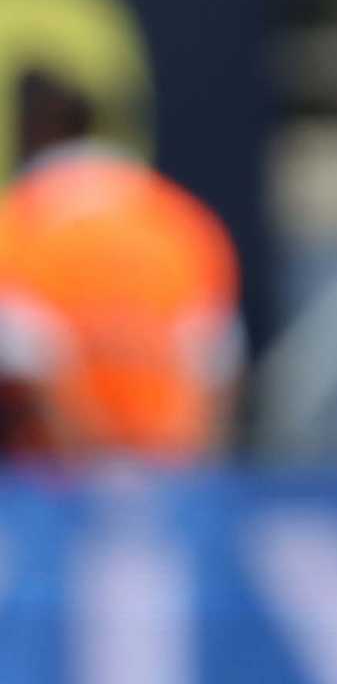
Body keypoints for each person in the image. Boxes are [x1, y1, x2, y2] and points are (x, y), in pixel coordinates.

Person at [0, 64, 242, 464]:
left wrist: (94, 471)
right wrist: (175, 476)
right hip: (167, 473)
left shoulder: (17, 224)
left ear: (27, 131)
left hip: (55, 481)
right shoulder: (180, 221)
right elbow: (215, 370)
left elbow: (30, 369)